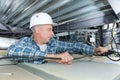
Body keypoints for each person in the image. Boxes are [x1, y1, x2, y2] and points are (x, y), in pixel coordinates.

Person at [7, 12, 108, 65]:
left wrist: (94, 50)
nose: (52, 33)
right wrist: (53, 57)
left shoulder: (53, 43)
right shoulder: (26, 41)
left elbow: (74, 46)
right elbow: (12, 51)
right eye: (49, 29)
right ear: (37, 30)